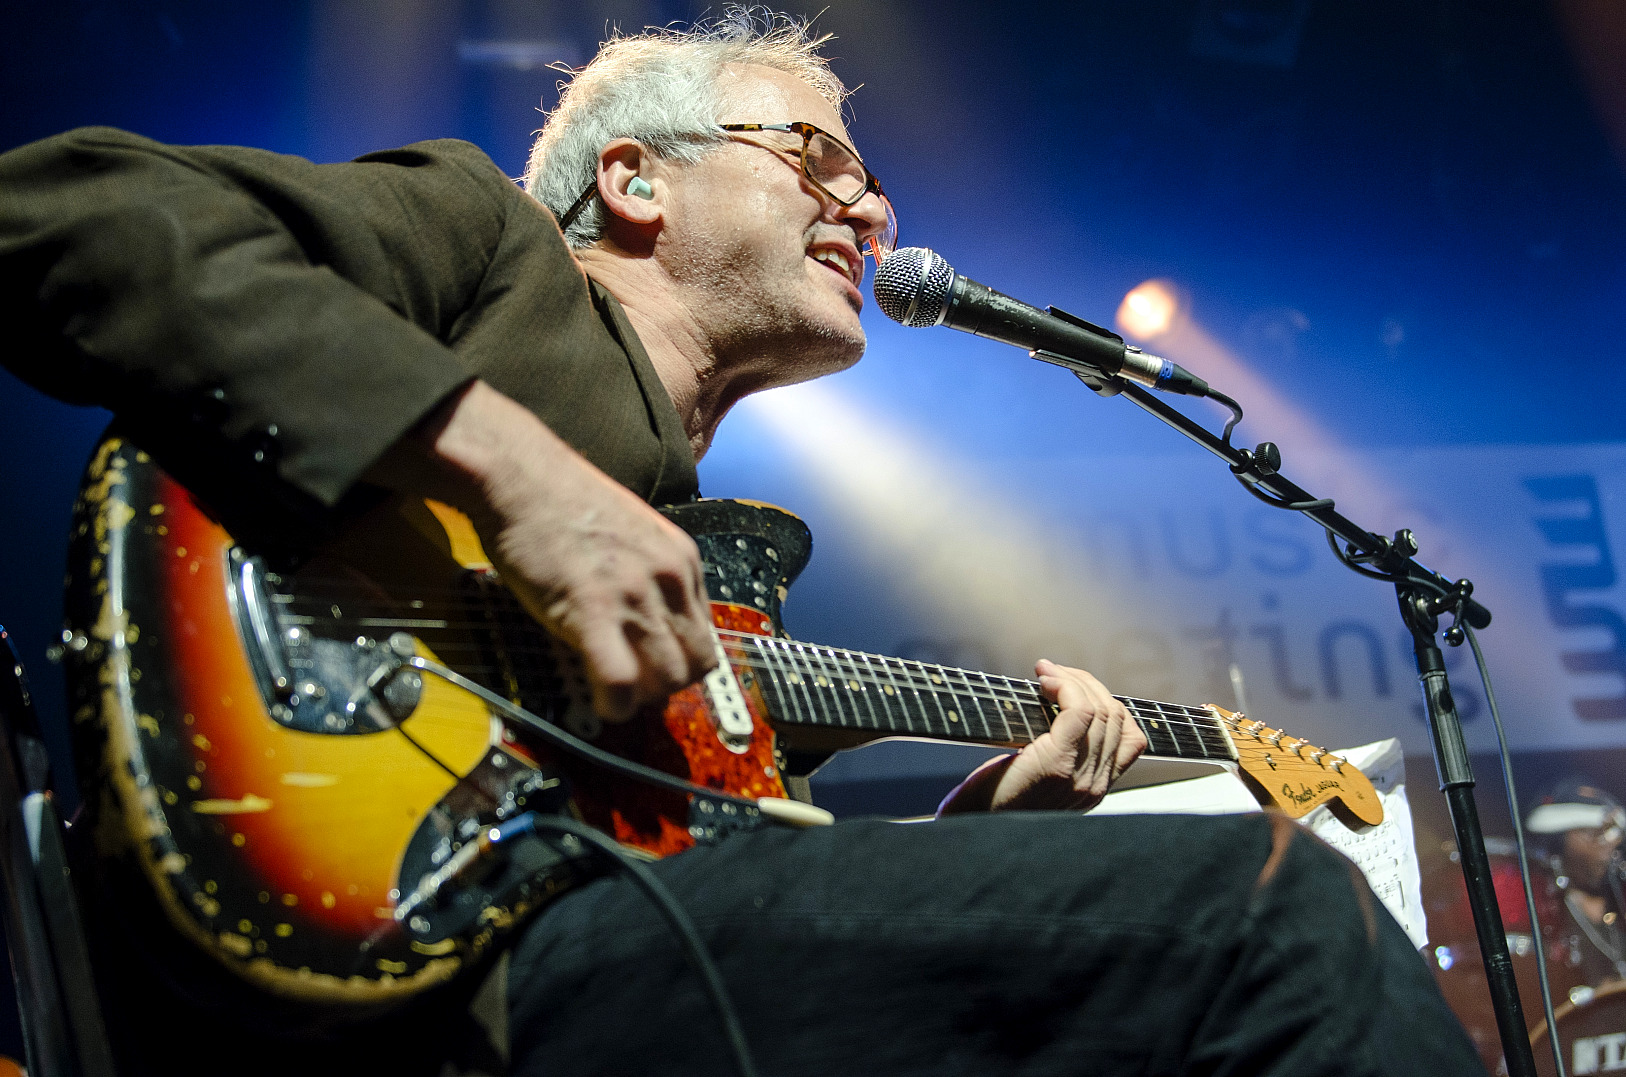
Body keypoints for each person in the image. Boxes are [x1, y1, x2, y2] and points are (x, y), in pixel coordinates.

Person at [0, 10, 1485, 1076]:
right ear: (636, 182)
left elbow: (733, 875)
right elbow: (58, 213)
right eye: (814, 154)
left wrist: (985, 844)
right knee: (1274, 908)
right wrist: (518, 472)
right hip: (421, 943)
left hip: (614, 946)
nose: (867, 200)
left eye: (872, 179)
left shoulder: (721, 556)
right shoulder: (485, 244)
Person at [1527, 777, 1626, 985]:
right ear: (1558, 844)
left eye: (1615, 834)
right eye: (1595, 834)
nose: (1611, 844)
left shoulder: (1619, 902)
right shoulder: (1548, 913)